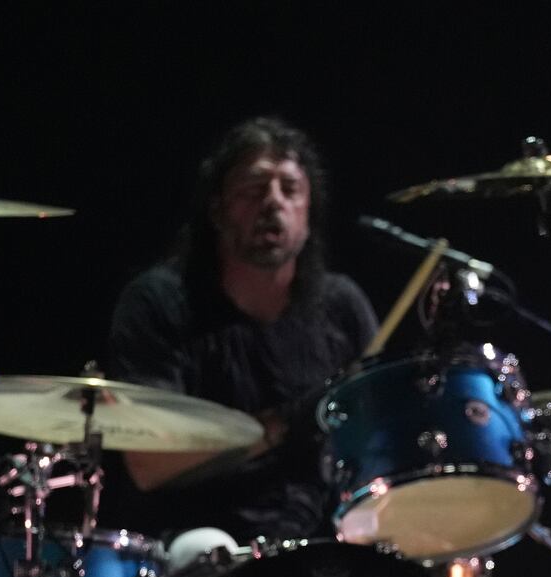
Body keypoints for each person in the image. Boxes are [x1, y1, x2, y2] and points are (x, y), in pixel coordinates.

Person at [103, 116, 378, 546]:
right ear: (217, 209)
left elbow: (377, 445)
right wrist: (284, 424)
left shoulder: (341, 307)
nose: (273, 203)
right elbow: (149, 464)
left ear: (308, 214)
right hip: (200, 547)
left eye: (290, 190)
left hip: (320, 542)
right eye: (254, 189)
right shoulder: (159, 302)